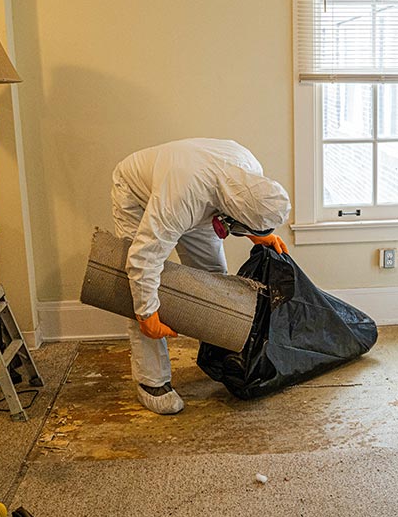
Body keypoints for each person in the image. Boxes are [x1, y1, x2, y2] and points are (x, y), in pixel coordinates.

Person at [111, 138, 291, 414]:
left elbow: (246, 201)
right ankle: (152, 381)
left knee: (214, 278)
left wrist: (260, 234)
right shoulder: (180, 199)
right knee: (142, 287)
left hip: (201, 195)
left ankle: (219, 357)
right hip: (137, 192)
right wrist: (147, 315)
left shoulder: (249, 170)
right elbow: (143, 260)